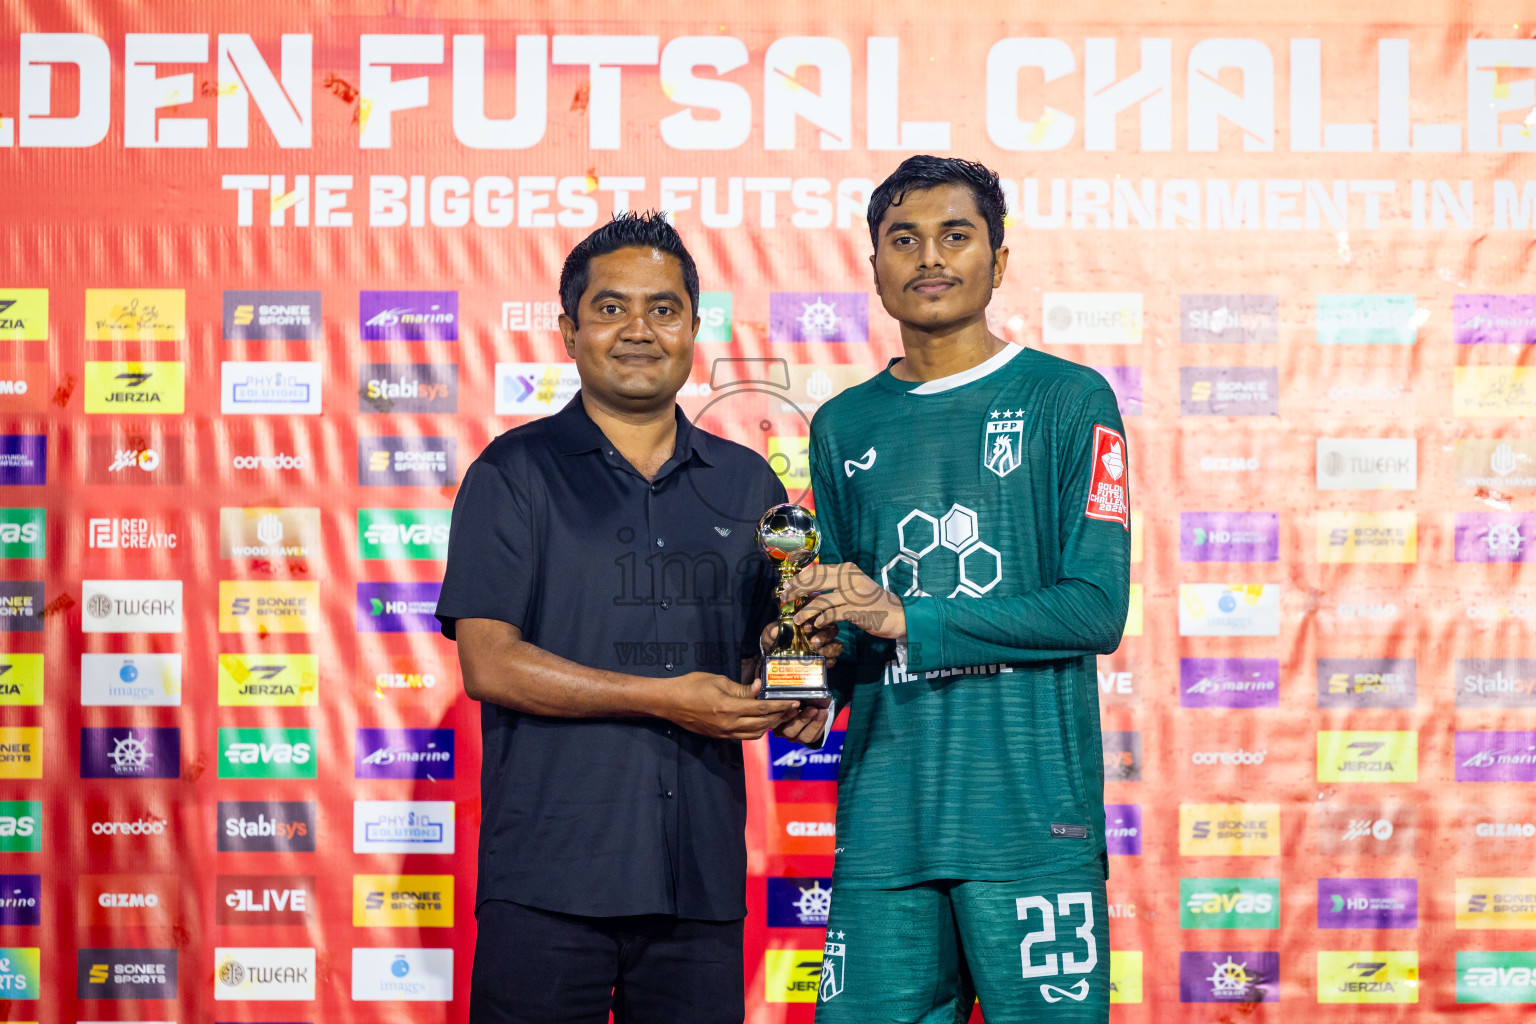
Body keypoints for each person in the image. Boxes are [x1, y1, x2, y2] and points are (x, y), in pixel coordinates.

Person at [435, 211, 820, 1023]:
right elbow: (490, 665)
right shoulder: (513, 473)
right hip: (547, 885)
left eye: (663, 308)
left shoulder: (751, 486)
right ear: (570, 330)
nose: (639, 330)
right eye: (611, 309)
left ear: (693, 326)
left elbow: (776, 655)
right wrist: (666, 697)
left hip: (700, 886)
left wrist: (800, 697)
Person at [782, 156, 1132, 1023]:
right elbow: (863, 627)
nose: (928, 256)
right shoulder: (842, 424)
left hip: (1030, 825)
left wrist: (906, 615)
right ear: (874, 266)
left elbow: (1096, 608)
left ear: (999, 260)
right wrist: (814, 673)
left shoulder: (1069, 398)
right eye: (904, 239)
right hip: (886, 827)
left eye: (954, 235)